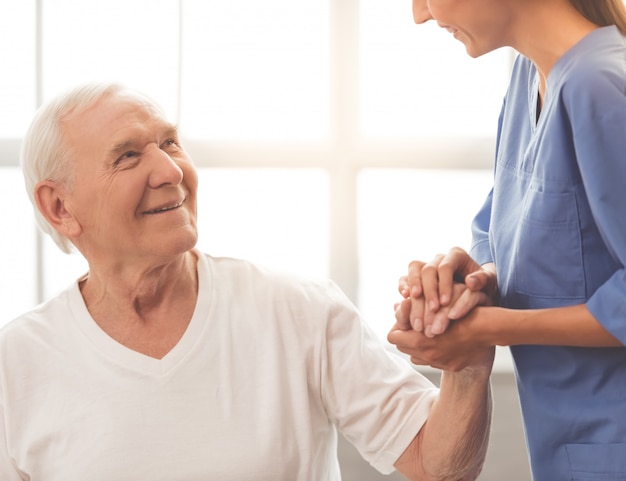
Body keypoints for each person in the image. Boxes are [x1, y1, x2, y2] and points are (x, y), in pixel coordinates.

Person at [0, 82, 494, 481]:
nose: (170, 169)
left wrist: (467, 367)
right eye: (127, 156)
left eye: (170, 143)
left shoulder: (298, 308)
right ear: (60, 207)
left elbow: (438, 467)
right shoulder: (16, 362)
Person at [388, 0, 626, 480]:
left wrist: (489, 329)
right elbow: (508, 224)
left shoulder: (599, 84)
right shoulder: (528, 75)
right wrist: (476, 280)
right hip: (574, 451)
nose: (420, 15)